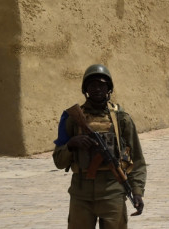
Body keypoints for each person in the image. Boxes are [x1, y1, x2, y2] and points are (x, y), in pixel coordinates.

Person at [53, 64, 147, 229]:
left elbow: (137, 159)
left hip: (113, 192)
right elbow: (59, 161)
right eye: (92, 85)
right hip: (80, 195)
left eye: (102, 85)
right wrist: (71, 144)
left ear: (108, 88)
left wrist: (137, 192)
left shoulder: (121, 119)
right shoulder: (72, 118)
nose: (97, 89)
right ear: (86, 89)